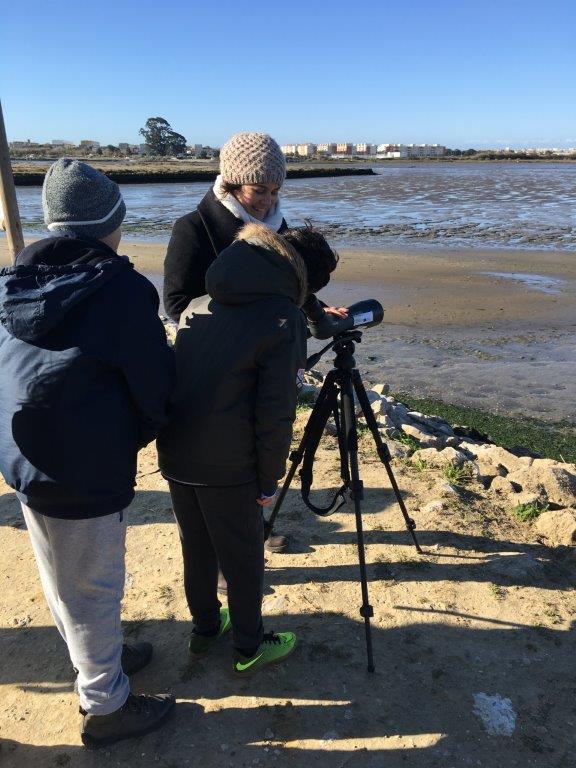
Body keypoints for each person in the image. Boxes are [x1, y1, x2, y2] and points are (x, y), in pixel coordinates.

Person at [0, 160, 176, 747]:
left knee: (61, 573)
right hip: (84, 461)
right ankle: (105, 706)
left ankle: (97, 653)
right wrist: (138, 435)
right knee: (93, 585)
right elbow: (155, 386)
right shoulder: (122, 290)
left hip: (24, 454)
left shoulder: (12, 280)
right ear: (109, 225)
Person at [157, 222, 339, 675]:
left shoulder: (200, 302)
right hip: (231, 464)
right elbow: (275, 412)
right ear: (299, 278)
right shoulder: (283, 317)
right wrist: (267, 479)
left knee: (196, 547)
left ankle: (203, 631)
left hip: (177, 454)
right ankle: (248, 646)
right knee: (241, 558)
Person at [163, 131, 345, 554]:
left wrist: (317, 314)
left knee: (257, 443)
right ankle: (226, 561)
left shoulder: (277, 228)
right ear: (230, 183)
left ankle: (253, 527)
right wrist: (231, 326)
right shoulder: (194, 228)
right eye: (258, 189)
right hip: (211, 363)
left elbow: (291, 285)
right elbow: (175, 302)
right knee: (220, 449)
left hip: (265, 356)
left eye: (274, 190)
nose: (266, 200)